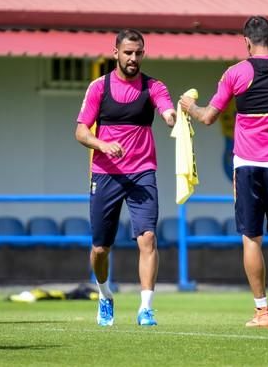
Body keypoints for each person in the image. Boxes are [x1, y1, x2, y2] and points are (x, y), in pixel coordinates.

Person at [180, 16, 268, 327]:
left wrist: (189, 107)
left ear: (247, 42)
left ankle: (262, 310)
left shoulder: (235, 72)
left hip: (246, 167)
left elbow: (210, 117)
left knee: (251, 238)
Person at [75, 29, 176, 327]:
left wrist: (171, 116)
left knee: (148, 238)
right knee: (100, 249)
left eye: (139, 52)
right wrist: (102, 144)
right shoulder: (99, 88)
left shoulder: (153, 86)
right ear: (116, 52)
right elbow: (80, 131)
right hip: (106, 174)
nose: (133, 58)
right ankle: (105, 295)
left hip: (143, 173)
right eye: (128, 52)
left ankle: (146, 308)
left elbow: (165, 106)